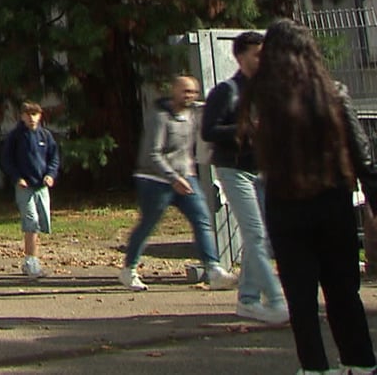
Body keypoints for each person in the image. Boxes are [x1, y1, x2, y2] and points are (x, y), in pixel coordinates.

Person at [239, 19, 377, 375]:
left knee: (300, 296)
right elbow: (363, 158)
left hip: (285, 204)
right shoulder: (335, 94)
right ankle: (359, 361)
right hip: (332, 201)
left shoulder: (261, 100)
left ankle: (314, 367)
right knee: (343, 290)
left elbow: (248, 152)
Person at [118, 75, 239, 291]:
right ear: (174, 91)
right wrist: (173, 178)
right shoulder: (160, 116)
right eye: (185, 91)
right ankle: (129, 269)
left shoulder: (193, 113)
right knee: (148, 224)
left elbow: (213, 114)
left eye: (193, 92)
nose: (189, 96)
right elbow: (153, 154)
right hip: (155, 179)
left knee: (202, 219)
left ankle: (213, 269)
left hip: (186, 176)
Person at [200, 30, 288, 325]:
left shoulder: (266, 90)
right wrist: (245, 128)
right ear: (240, 57)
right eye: (256, 55)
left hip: (262, 169)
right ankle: (275, 300)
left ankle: (248, 300)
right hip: (233, 168)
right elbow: (208, 131)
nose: (262, 60)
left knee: (262, 235)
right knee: (256, 234)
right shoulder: (227, 91)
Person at [0, 102, 60, 278]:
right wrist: (17, 177)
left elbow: (54, 158)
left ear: (40, 116)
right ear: (22, 116)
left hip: (41, 186)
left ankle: (32, 258)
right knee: (31, 221)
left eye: (35, 114)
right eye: (28, 115)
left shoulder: (45, 136)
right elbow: (7, 160)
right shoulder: (16, 136)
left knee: (40, 223)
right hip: (24, 186)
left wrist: (50, 175)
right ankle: (31, 261)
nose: (32, 118)